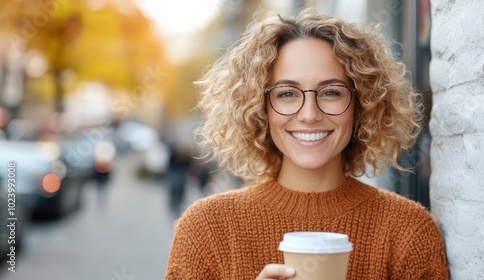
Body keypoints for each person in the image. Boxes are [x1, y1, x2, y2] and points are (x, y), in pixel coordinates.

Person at [165, 8, 449, 280]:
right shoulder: (205, 229)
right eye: (287, 93)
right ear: (260, 107)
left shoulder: (408, 230)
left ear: (362, 105)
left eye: (331, 92)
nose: (309, 115)